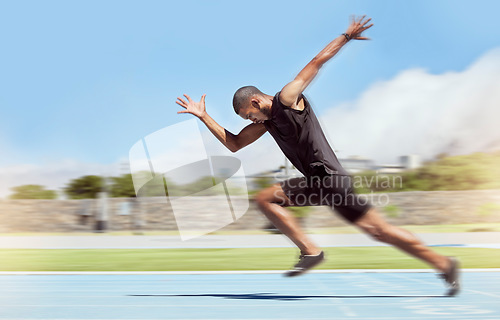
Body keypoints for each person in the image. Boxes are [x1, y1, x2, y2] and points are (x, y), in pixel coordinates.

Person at [176, 15, 460, 296]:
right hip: (326, 183)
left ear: (256, 101)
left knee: (265, 199)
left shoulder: (287, 99)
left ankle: (311, 251)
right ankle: (445, 264)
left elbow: (315, 63)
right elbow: (234, 143)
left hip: (327, 178)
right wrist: (204, 116)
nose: (251, 121)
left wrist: (346, 37)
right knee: (379, 232)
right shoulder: (267, 124)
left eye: (250, 115)